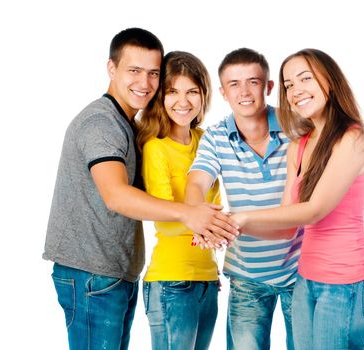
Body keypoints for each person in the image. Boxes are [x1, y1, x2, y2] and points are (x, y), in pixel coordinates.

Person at [43, 28, 238, 350]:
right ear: (111, 69)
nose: (144, 83)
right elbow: (116, 195)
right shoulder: (101, 123)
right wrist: (191, 214)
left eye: (152, 74)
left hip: (115, 271)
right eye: (134, 71)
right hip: (91, 271)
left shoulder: (129, 127)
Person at [229, 48, 364, 349]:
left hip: (345, 282)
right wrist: (228, 227)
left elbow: (313, 211)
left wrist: (242, 217)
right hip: (305, 278)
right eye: (288, 85)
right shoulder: (298, 146)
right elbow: (287, 223)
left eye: (305, 79)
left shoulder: (353, 138)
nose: (296, 90)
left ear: (331, 81)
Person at [185, 48, 302, 350]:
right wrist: (198, 213)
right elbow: (197, 181)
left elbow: (330, 186)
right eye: (234, 84)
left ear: (269, 87)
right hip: (247, 274)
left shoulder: (298, 127)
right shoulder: (216, 137)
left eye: (253, 81)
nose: (244, 91)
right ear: (223, 92)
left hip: (301, 270)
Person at [136, 51, 220, 350]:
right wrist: (206, 227)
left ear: (204, 95)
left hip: (208, 278)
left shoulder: (205, 140)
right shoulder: (156, 147)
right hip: (172, 281)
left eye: (192, 92)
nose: (182, 102)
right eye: (172, 92)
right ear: (160, 96)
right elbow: (164, 219)